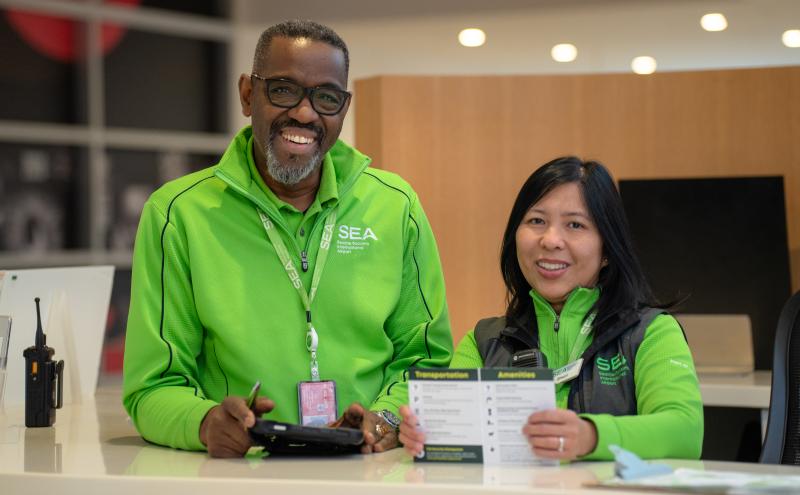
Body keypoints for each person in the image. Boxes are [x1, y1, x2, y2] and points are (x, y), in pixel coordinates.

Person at [122, 20, 452, 458]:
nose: (304, 113)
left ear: (343, 108)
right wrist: (205, 424)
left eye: (327, 97)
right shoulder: (178, 214)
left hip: (369, 471)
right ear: (246, 94)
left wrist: (385, 419)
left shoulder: (395, 206)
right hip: (240, 475)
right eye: (283, 90)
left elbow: (425, 359)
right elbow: (152, 387)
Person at [399, 157, 703, 461]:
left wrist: (591, 436)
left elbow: (685, 432)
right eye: (536, 221)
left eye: (575, 224)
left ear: (608, 249)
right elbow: (455, 445)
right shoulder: (482, 342)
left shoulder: (650, 332)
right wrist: (426, 434)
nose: (551, 240)